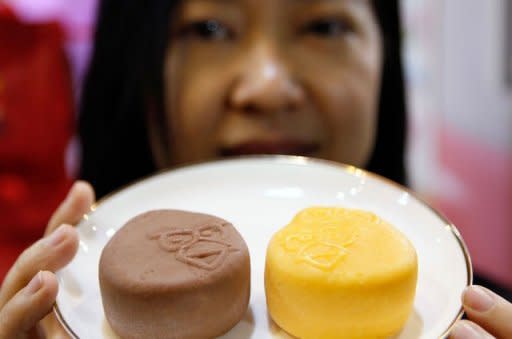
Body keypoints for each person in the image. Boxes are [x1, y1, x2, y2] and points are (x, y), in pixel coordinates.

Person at [0, 0, 510, 338]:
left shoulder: (477, 309)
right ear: (131, 60)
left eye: (324, 26)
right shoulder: (66, 306)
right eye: (210, 28)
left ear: (386, 62)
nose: (267, 87)